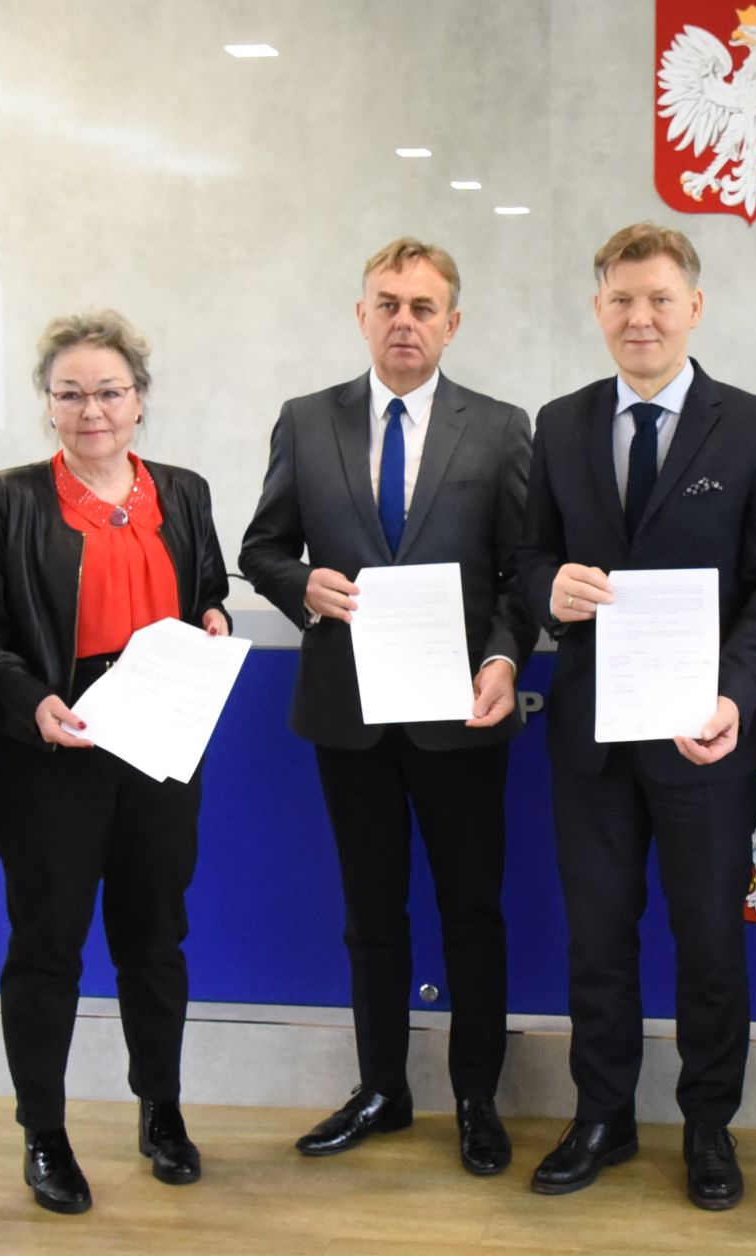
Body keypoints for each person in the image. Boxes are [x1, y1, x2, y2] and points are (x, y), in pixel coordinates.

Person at [516, 222, 756, 1209]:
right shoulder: (559, 423)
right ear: (598, 309)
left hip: (704, 733)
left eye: (659, 300)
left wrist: (735, 695)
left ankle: (708, 1125)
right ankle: (603, 1116)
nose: (640, 317)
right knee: (597, 939)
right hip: (590, 736)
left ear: (694, 307)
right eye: (621, 300)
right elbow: (529, 556)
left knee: (709, 943)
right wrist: (548, 588)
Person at [239, 237, 534, 1176]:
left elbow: (521, 571)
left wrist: (503, 655)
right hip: (350, 710)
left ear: (453, 323)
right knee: (371, 911)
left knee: (471, 910)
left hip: (462, 712)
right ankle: (382, 1090)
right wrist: (301, 586)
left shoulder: (500, 427)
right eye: (388, 304)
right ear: (361, 316)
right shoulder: (306, 420)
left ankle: (477, 1098)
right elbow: (261, 547)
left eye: (423, 306)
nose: (405, 321)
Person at [0, 310, 231, 1215]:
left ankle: (162, 1112)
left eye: (109, 392)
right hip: (55, 744)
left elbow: (208, 590)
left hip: (160, 743)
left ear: (140, 400)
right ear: (48, 404)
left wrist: (213, 619)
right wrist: (32, 702)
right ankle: (44, 1133)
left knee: (155, 941)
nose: (92, 411)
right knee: (47, 948)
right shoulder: (9, 499)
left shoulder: (183, 493)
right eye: (70, 394)